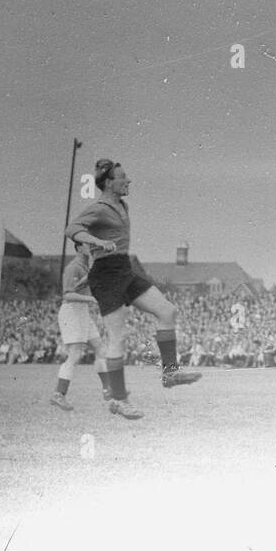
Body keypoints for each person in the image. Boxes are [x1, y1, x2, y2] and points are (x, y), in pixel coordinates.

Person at [65, 159, 201, 421]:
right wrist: (96, 241)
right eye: (123, 177)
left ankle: (170, 373)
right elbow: (72, 229)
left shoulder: (121, 205)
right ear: (108, 183)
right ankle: (119, 400)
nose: (128, 181)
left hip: (124, 269)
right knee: (118, 337)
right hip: (106, 274)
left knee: (167, 311)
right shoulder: (99, 208)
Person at [49, 243, 111, 411]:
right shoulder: (72, 268)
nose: (91, 248)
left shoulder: (86, 266)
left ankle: (107, 389)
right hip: (71, 312)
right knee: (75, 354)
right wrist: (92, 299)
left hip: (82, 312)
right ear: (79, 248)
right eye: (87, 245)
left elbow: (84, 287)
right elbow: (67, 294)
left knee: (100, 348)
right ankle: (59, 394)